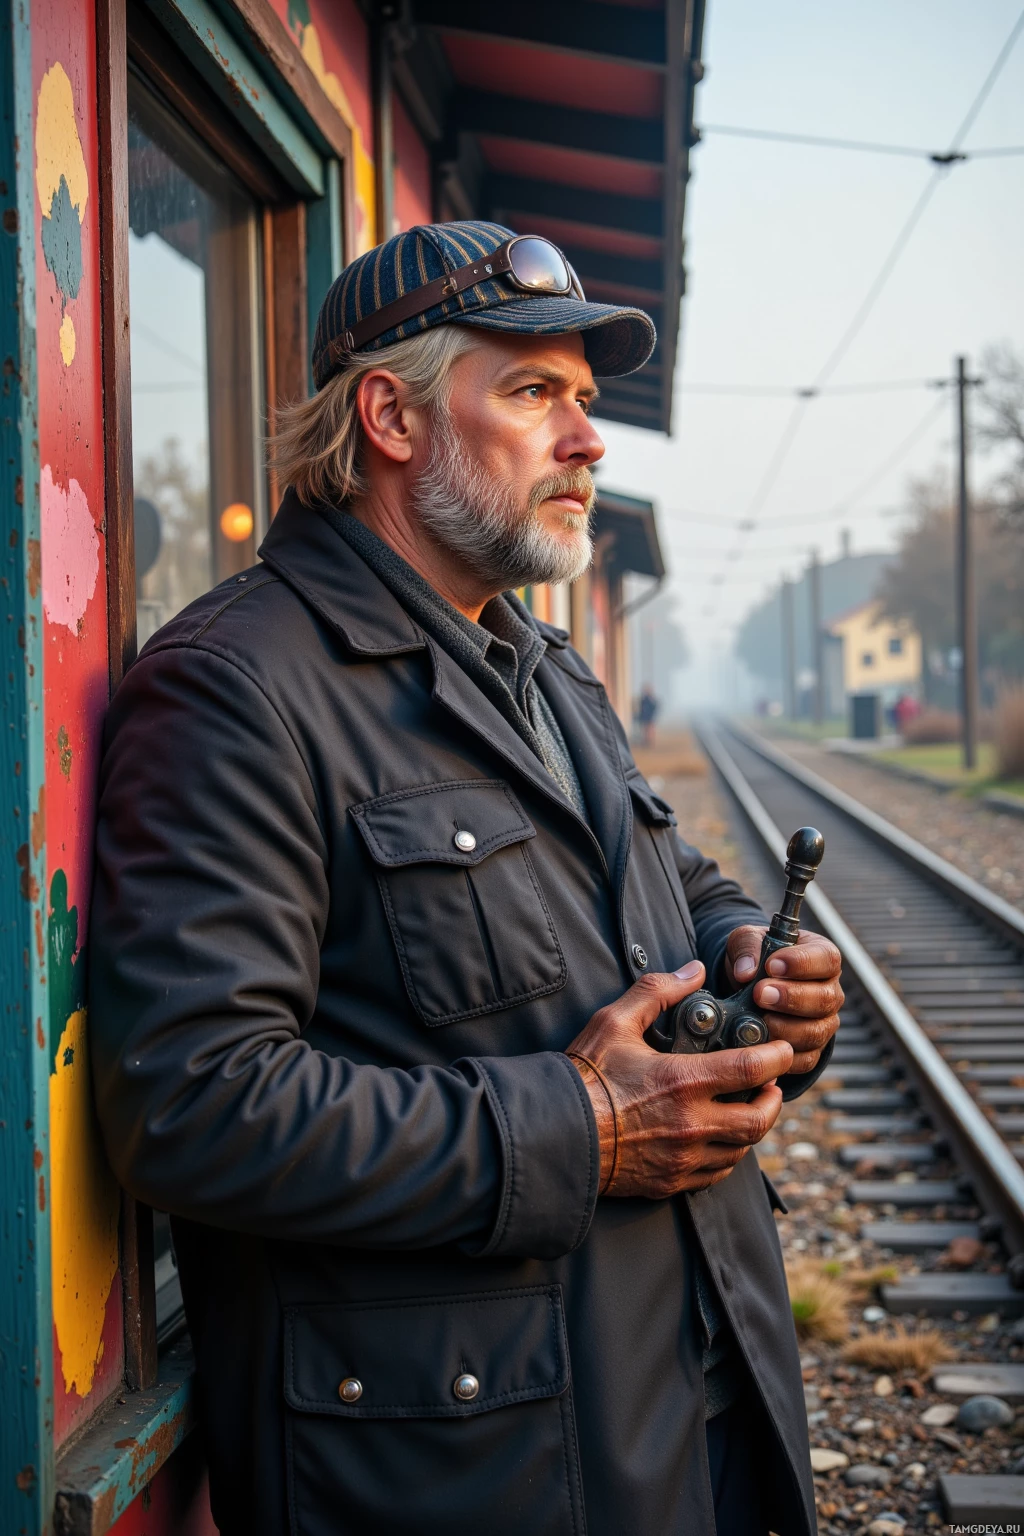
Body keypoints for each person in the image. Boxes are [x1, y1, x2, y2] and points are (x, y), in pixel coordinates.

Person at [90, 222, 843, 1536]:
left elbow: (672, 876)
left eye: (586, 401)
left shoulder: (544, 666)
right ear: (390, 414)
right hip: (472, 1466)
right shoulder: (238, 689)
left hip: (688, 1391)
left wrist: (751, 965)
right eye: (534, 392)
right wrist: (582, 1127)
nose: (588, 441)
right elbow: (190, 1102)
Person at [638, 682, 660, 747]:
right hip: (645, 717)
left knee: (650, 730)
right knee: (646, 730)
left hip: (650, 717)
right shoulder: (644, 699)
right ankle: (646, 741)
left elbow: (654, 707)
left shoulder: (650, 699)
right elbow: (642, 708)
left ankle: (650, 741)